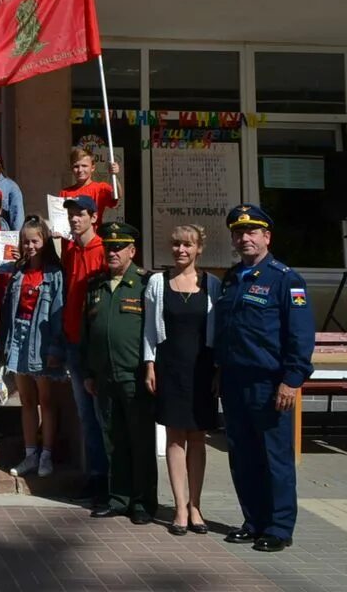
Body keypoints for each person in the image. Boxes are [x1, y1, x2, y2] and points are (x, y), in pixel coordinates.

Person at [215, 204, 314, 554]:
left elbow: (300, 335)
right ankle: (253, 521)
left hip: (269, 384)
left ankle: (279, 526)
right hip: (234, 382)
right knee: (242, 456)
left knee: (275, 457)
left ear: (267, 237)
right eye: (238, 233)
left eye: (252, 232)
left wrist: (292, 379)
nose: (244, 238)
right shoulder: (232, 278)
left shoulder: (285, 278)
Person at [145, 223, 221, 536]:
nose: (181, 250)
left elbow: (218, 332)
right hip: (169, 367)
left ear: (199, 249)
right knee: (175, 437)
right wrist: (149, 363)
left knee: (197, 438)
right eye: (176, 244)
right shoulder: (158, 283)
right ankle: (178, 507)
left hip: (202, 368)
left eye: (188, 245)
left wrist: (219, 368)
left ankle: (196, 506)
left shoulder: (213, 284)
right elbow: (150, 328)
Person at [81, 222, 156, 525]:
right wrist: (89, 371)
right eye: (108, 247)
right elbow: (88, 333)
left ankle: (143, 501)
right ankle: (119, 498)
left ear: (132, 251)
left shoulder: (145, 283)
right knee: (113, 440)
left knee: (140, 440)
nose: (112, 252)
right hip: (104, 376)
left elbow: (153, 331)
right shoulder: (95, 285)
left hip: (134, 375)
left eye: (118, 247)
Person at [0, 216, 65, 479]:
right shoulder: (19, 270)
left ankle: (47, 454)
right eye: (25, 241)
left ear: (45, 241)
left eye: (35, 240)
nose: (30, 246)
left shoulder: (55, 273)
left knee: (45, 400)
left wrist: (56, 348)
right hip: (19, 335)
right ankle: (30, 454)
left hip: (43, 339)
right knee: (26, 400)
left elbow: (59, 312)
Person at [60, 195, 109, 504]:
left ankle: (108, 478)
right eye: (72, 215)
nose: (75, 219)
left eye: (80, 214)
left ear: (93, 217)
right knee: (85, 414)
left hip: (95, 344)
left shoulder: (103, 250)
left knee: (102, 414)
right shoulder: (71, 249)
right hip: (73, 340)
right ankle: (95, 475)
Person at [62, 146, 122, 229]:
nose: (80, 170)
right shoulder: (64, 192)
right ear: (71, 169)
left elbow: (117, 195)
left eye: (84, 166)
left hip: (93, 239)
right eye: (76, 166)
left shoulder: (101, 188)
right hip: (69, 241)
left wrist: (114, 175)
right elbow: (60, 220)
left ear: (92, 167)